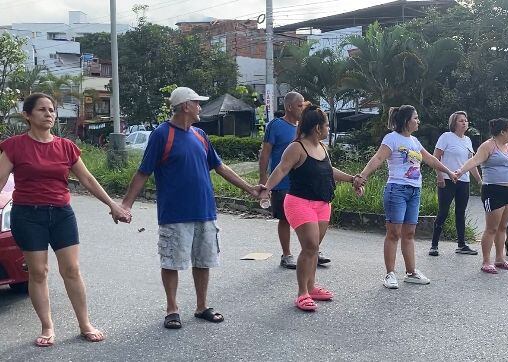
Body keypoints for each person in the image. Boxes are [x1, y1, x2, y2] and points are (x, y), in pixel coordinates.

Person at [121, 87, 263, 329]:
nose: (200, 108)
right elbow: (143, 171)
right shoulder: (161, 135)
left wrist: (250, 189)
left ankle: (201, 306)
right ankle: (172, 309)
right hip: (174, 213)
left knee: (203, 260)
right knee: (171, 261)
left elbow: (220, 167)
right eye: (197, 103)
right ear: (185, 106)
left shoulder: (200, 135)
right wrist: (126, 204)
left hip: (205, 211)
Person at [0, 93, 131, 347]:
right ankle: (47, 327)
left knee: (71, 270)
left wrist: (113, 205)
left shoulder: (66, 146)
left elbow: (88, 179)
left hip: (61, 213)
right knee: (38, 272)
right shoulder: (14, 146)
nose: (49, 114)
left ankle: (85, 323)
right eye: (42, 110)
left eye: (51, 110)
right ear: (27, 115)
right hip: (28, 215)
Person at [259, 105, 363, 311]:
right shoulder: (296, 147)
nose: (328, 130)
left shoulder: (323, 148)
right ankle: (302, 293)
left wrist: (352, 179)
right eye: (326, 125)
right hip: (299, 202)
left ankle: (312, 286)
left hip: (322, 203)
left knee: (314, 249)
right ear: (317, 128)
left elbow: (329, 170)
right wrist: (266, 189)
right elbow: (281, 169)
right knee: (309, 247)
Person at [354, 105, 457, 288]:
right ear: (406, 120)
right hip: (397, 190)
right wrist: (363, 176)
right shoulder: (392, 138)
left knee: (409, 233)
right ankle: (390, 274)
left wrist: (449, 172)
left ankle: (411, 272)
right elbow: (378, 158)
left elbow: (431, 159)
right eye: (415, 118)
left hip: (414, 190)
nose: (418, 121)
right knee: (393, 233)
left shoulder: (415, 142)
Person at [455, 118, 508, 274]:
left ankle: (500, 259)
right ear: (503, 132)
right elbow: (474, 160)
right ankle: (486, 261)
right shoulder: (488, 146)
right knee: (492, 228)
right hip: (494, 191)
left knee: (503, 227)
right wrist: (460, 171)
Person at [259, 92, 323, 269]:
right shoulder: (276, 125)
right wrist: (264, 179)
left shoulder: (303, 127)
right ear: (289, 107)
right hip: (282, 181)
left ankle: (313, 250)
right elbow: (265, 154)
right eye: (299, 105)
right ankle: (286, 254)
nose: (302, 108)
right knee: (285, 219)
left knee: (312, 217)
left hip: (304, 181)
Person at [429, 111, 482, 256]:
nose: (464, 123)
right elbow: (435, 157)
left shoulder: (468, 141)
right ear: (454, 123)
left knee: (460, 212)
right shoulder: (446, 137)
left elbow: (472, 163)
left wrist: (479, 180)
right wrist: (439, 176)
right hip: (447, 180)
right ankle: (434, 245)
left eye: (466, 120)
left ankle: (461, 245)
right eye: (461, 120)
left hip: (463, 181)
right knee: (443, 212)